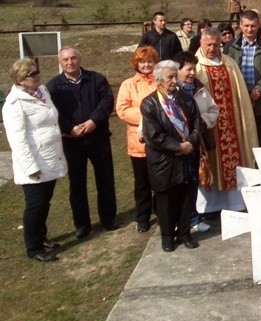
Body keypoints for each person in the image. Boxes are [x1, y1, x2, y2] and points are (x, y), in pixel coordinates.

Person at [47, 46, 118, 239]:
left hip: (98, 138)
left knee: (105, 179)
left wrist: (94, 121)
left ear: (80, 59)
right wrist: (70, 128)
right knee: (77, 184)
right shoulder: (53, 86)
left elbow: (107, 101)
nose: (70, 63)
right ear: (60, 62)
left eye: (73, 58)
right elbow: (53, 112)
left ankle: (108, 218)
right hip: (72, 141)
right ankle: (82, 224)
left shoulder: (97, 79)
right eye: (65, 60)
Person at [3, 59, 67, 262]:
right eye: (32, 74)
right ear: (21, 80)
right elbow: (17, 140)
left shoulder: (42, 92)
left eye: (37, 72)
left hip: (50, 157)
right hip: (34, 162)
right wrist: (31, 167)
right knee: (35, 205)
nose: (37, 76)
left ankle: (41, 236)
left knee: (44, 202)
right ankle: (33, 247)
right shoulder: (15, 104)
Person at [193, 28, 258, 212]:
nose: (213, 48)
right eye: (209, 44)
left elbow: (241, 96)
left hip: (231, 122)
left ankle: (235, 203)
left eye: (216, 44)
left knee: (233, 160)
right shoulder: (196, 67)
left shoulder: (229, 63)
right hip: (209, 125)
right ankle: (210, 207)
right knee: (210, 163)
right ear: (201, 43)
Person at [141, 60, 203, 252]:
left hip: (187, 157)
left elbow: (197, 123)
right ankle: (167, 237)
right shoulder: (149, 103)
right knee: (166, 199)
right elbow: (154, 135)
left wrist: (190, 142)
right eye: (170, 77)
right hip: (164, 160)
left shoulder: (185, 98)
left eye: (176, 76)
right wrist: (178, 146)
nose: (175, 80)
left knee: (187, 196)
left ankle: (185, 233)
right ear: (159, 79)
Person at [175, 52, 220, 232]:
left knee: (193, 181)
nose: (192, 73)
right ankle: (177, 221)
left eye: (194, 69)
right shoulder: (170, 91)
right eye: (188, 69)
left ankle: (193, 218)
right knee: (178, 184)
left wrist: (201, 123)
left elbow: (214, 109)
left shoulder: (200, 89)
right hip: (176, 146)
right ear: (177, 70)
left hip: (195, 143)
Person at [115, 46, 159, 233]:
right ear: (136, 64)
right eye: (142, 62)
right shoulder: (128, 84)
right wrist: (147, 116)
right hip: (139, 142)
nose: (146, 65)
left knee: (160, 179)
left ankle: (162, 211)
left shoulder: (160, 81)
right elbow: (122, 110)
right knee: (142, 183)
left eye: (149, 61)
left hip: (160, 140)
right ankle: (143, 217)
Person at [228, 10, 261, 147]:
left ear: (259, 25)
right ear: (241, 25)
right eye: (246, 25)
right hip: (240, 100)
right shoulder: (231, 47)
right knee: (243, 142)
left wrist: (258, 91)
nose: (250, 29)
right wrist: (246, 91)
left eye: (253, 26)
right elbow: (230, 71)